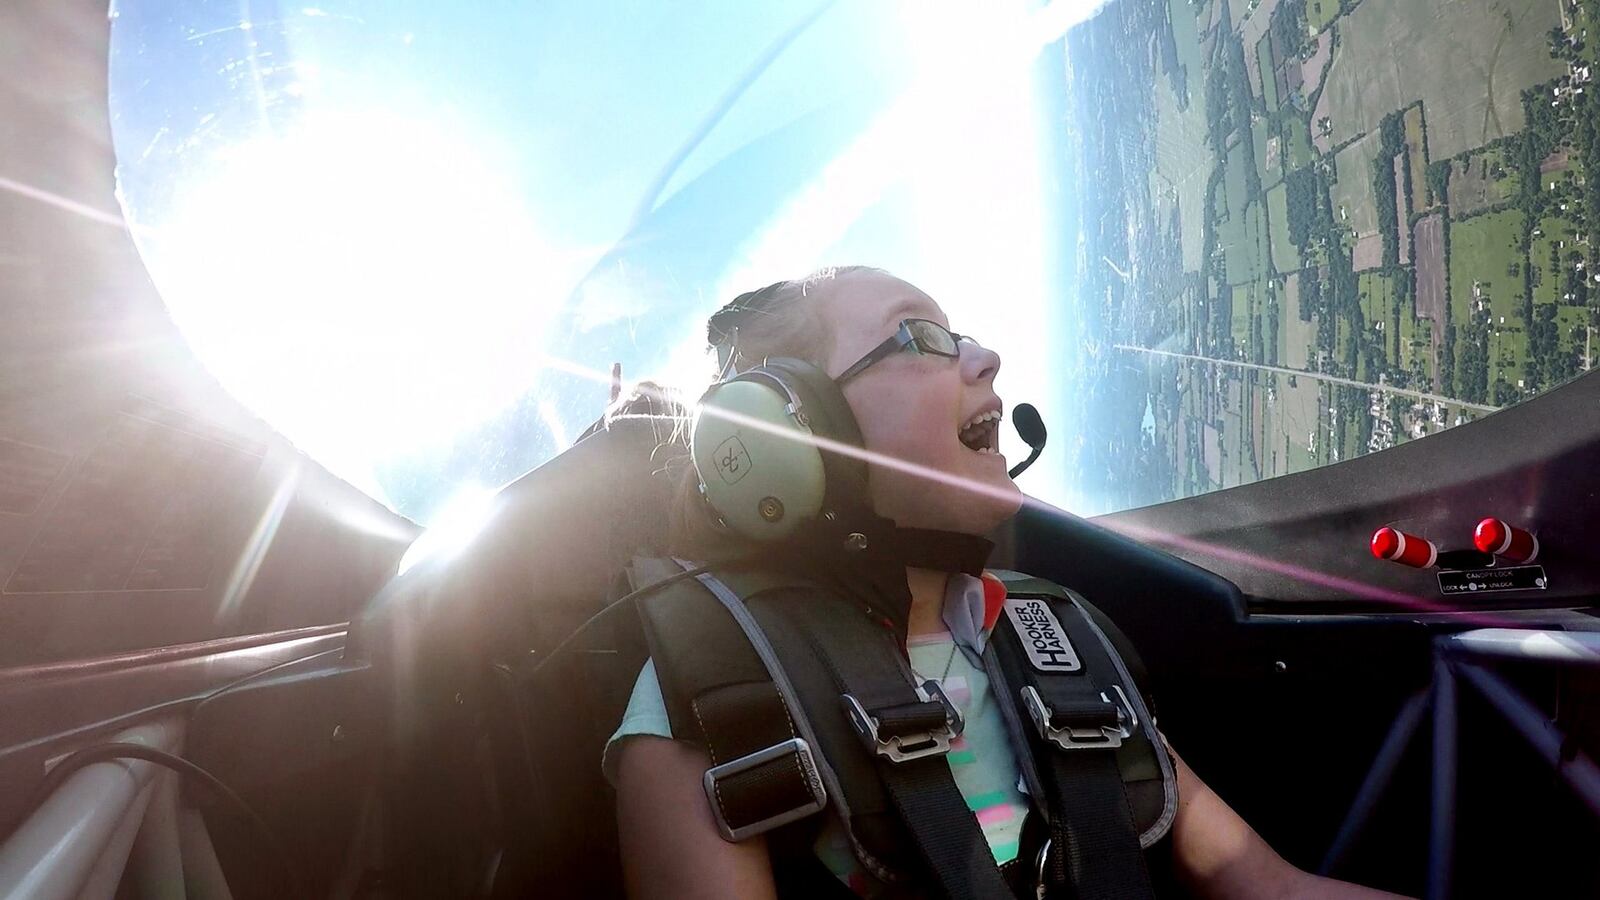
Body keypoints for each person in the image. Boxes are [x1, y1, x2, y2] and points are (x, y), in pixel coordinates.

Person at [604, 266, 1405, 899]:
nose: (985, 359)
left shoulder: (1051, 633)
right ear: (792, 434)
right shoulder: (711, 705)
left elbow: (1268, 889)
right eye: (919, 337)